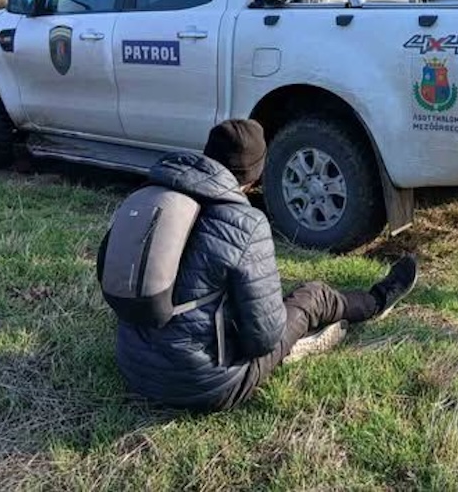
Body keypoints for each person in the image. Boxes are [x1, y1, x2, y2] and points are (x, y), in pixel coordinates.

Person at [113, 118, 418, 410]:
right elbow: (264, 337)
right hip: (205, 384)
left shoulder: (152, 198)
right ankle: (377, 301)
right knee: (313, 296)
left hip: (132, 365)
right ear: (254, 174)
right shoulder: (245, 222)